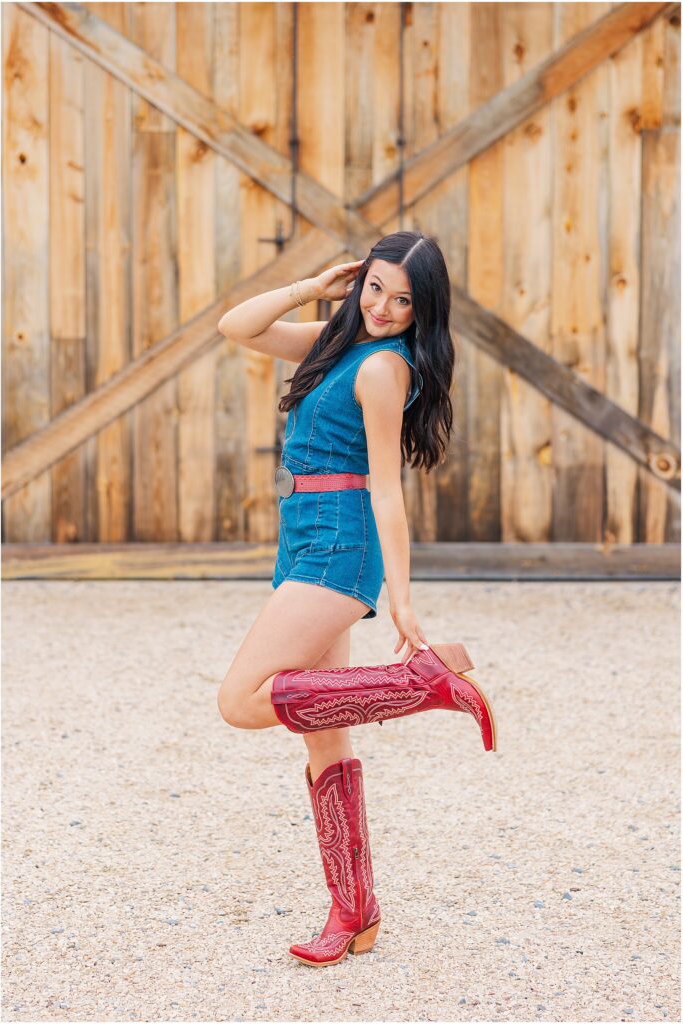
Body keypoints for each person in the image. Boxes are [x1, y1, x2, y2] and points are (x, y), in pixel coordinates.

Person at [216, 230, 497, 967]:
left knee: (242, 700)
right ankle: (355, 911)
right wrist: (314, 286)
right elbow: (234, 326)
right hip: (305, 536)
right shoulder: (339, 340)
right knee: (325, 736)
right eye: (375, 288)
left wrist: (402, 603)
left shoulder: (380, 370)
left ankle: (421, 683)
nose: (383, 307)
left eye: (404, 301)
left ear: (423, 311)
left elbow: (386, 491)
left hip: (340, 544)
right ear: (359, 280)